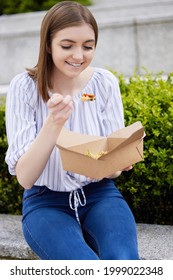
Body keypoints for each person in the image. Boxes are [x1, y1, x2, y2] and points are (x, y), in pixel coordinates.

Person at [5, 1, 140, 260]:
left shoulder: (104, 83)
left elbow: (111, 170)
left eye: (88, 47)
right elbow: (25, 178)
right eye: (67, 46)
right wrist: (54, 123)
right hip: (45, 202)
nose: (79, 56)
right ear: (48, 44)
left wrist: (117, 161)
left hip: (100, 195)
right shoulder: (24, 88)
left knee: (123, 262)